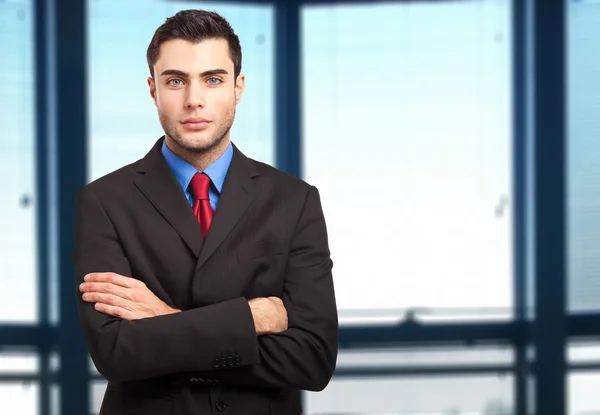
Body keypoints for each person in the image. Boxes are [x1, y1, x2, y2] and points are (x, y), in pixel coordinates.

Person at [71, 9, 338, 415]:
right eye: (175, 80)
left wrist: (166, 319)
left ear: (238, 88)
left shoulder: (294, 200)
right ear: (152, 90)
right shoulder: (103, 201)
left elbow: (313, 358)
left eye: (213, 79)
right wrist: (250, 317)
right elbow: (116, 352)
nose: (194, 99)